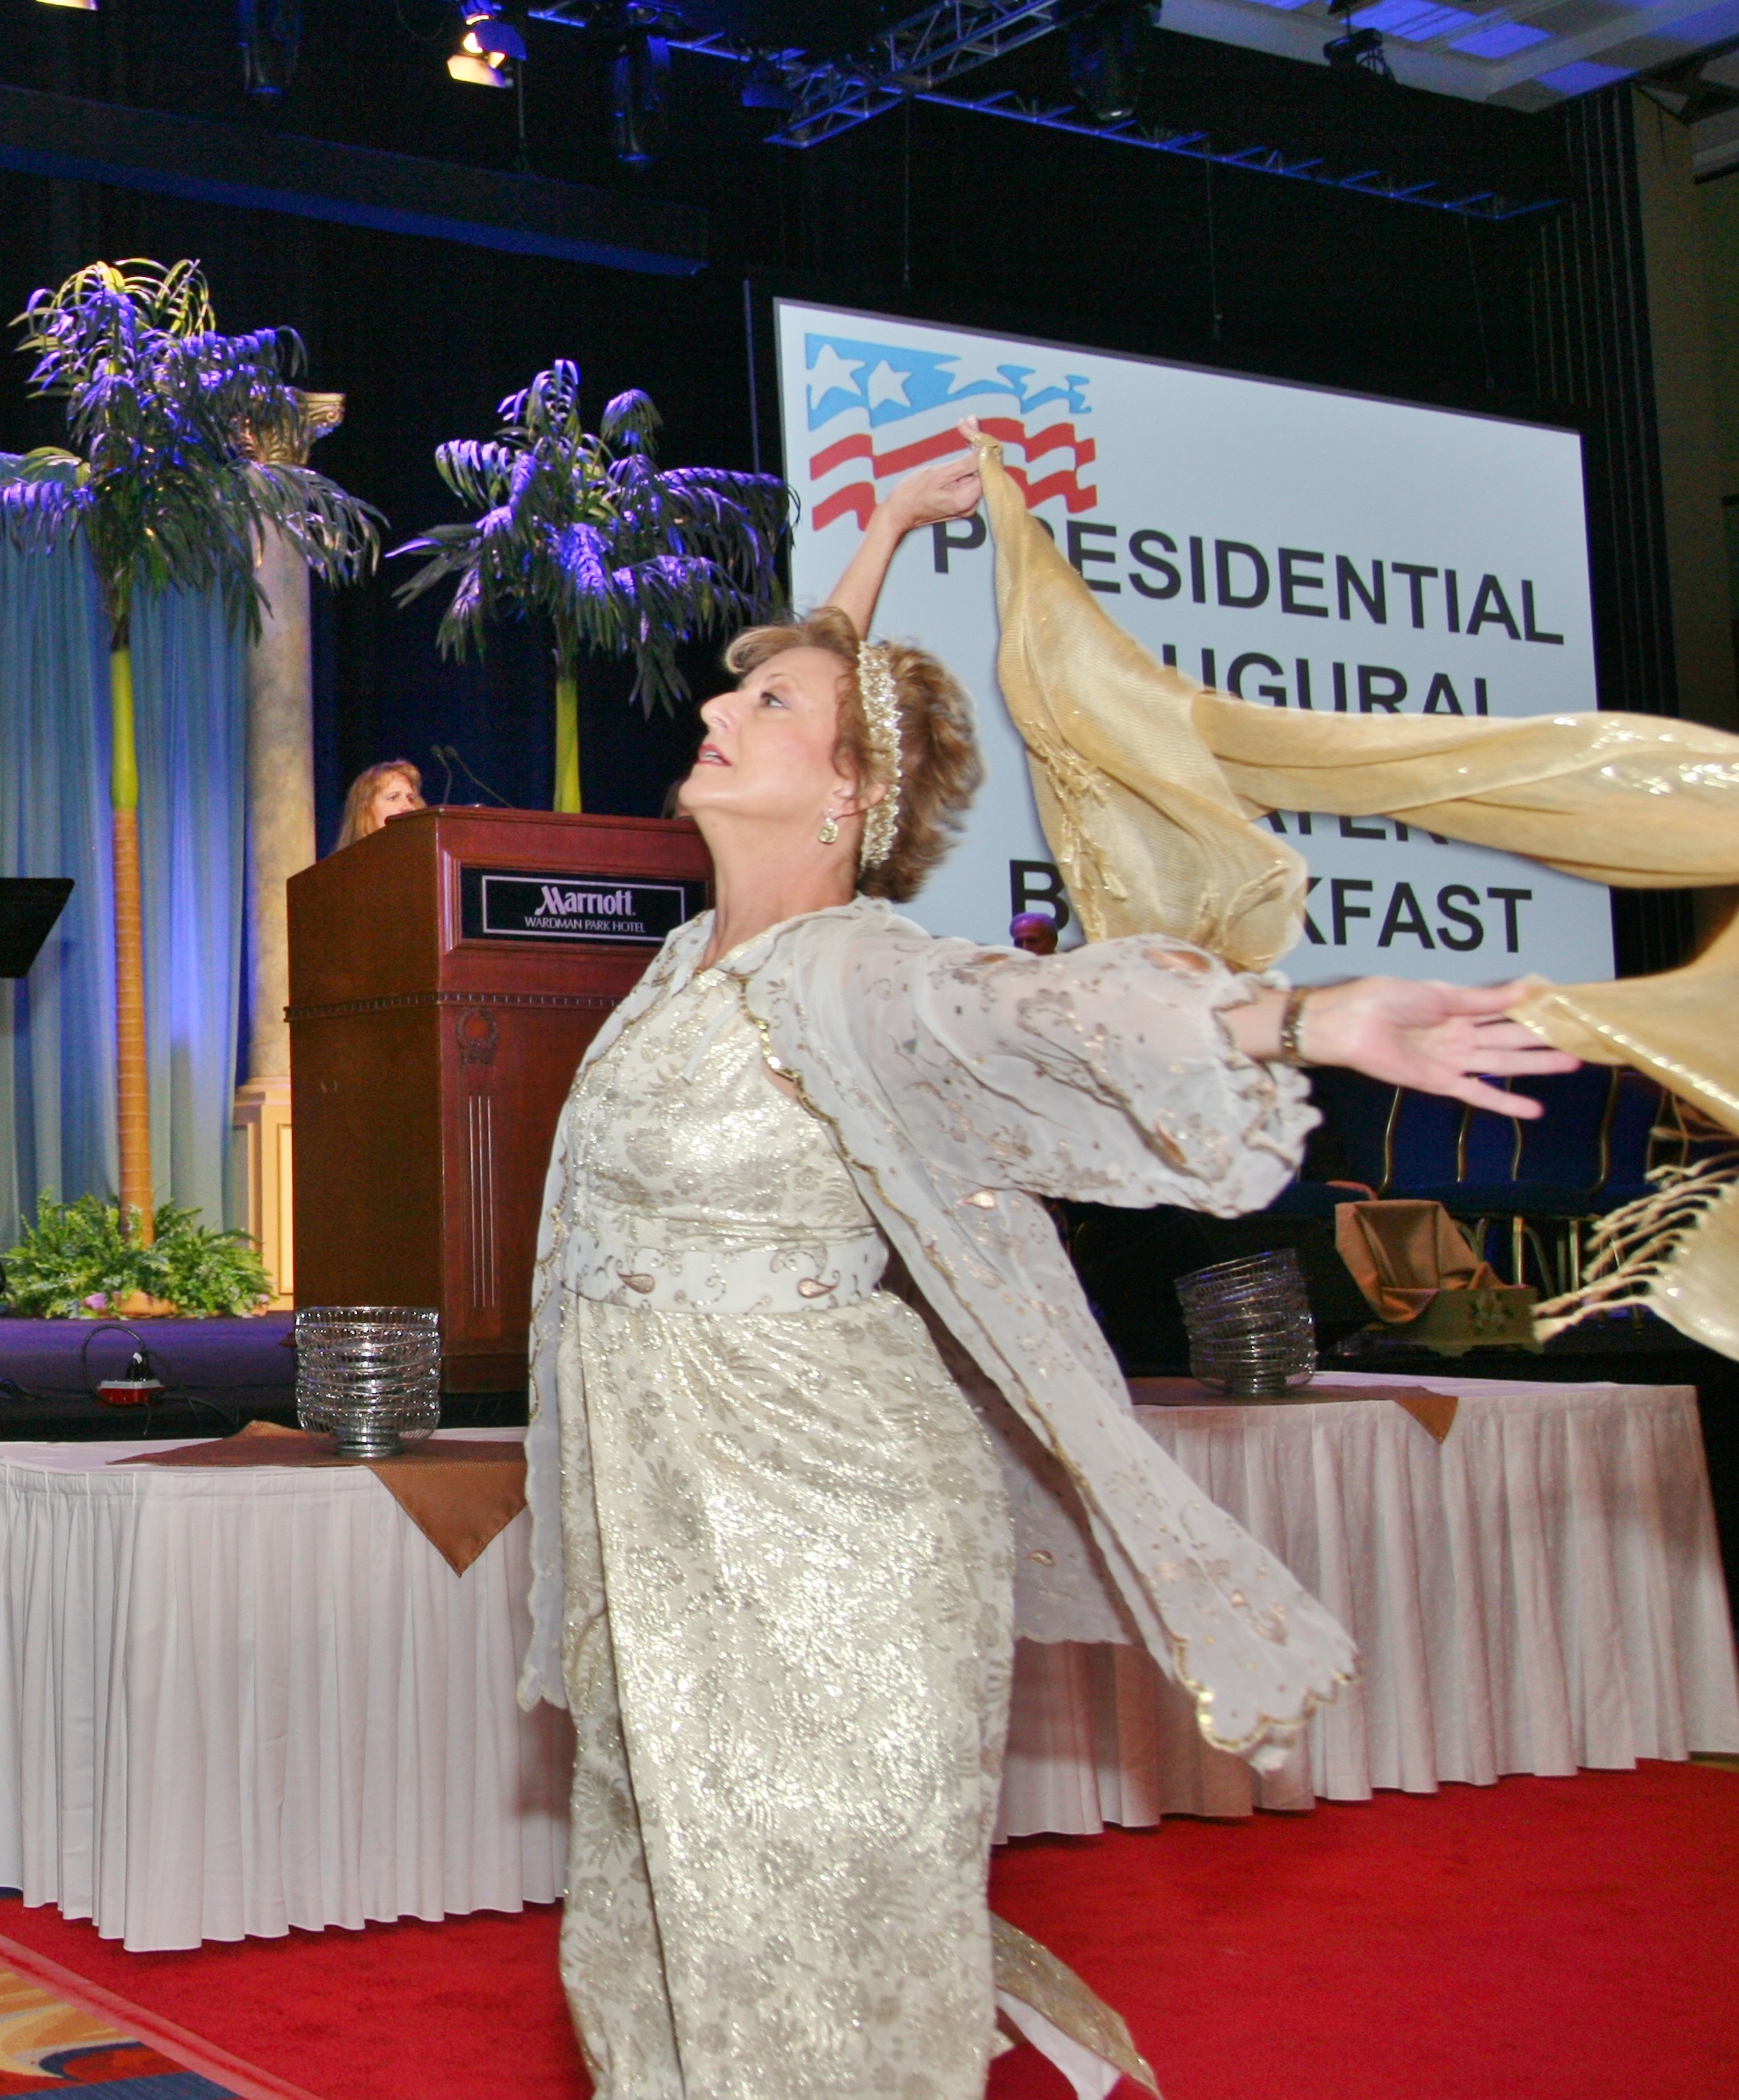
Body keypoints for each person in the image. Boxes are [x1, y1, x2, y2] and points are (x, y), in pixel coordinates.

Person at [530, 446, 1574, 2097]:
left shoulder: (863, 973)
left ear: (846, 798)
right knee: (656, 1900)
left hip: (837, 1531)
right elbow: (831, 688)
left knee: (816, 1940)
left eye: (770, 710)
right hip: (671, 1524)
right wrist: (873, 540)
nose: (719, 711)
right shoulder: (684, 961)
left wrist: (1303, 1016)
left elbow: (1049, 1017)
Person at [331, 758, 427, 852]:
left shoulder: (425, 859)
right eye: (393, 798)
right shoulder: (346, 866)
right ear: (366, 810)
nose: (409, 807)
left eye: (410, 799)